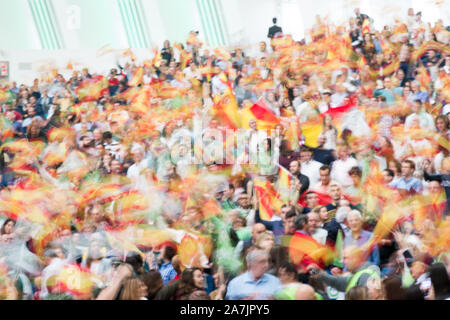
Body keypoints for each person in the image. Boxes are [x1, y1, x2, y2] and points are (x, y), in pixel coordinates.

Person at [312, 245, 381, 294]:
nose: (343, 261)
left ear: (355, 258)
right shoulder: (359, 273)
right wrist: (318, 272)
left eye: (345, 258)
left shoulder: (366, 274)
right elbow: (338, 282)